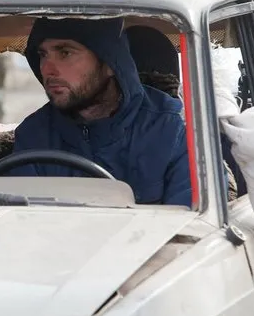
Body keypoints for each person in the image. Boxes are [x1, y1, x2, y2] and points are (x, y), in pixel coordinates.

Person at [11, 17, 191, 207]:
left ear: (109, 63)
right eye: (43, 55)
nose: (47, 69)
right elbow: (20, 224)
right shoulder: (33, 135)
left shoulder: (174, 128)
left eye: (65, 53)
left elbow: (193, 228)